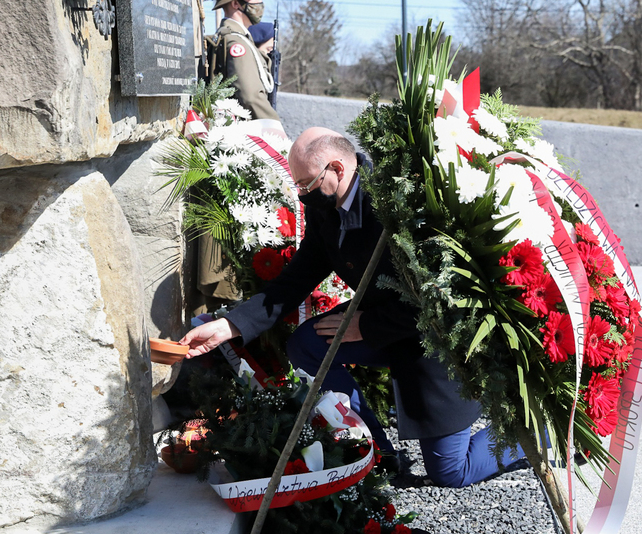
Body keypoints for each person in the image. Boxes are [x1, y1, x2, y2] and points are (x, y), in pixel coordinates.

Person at [179, 127, 525, 487]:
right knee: (308, 344)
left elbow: (440, 298)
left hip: (431, 341)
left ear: (338, 169)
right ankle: (378, 450)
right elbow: (295, 280)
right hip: (383, 327)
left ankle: (540, 433)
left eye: (306, 185)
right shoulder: (326, 208)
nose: (301, 196)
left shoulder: (399, 205)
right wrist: (227, 327)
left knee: (452, 471)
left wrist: (369, 325)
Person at [210, 0, 279, 121]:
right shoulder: (236, 42)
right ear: (236, 3)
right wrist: (275, 126)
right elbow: (251, 97)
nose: (260, 3)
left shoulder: (237, 38)